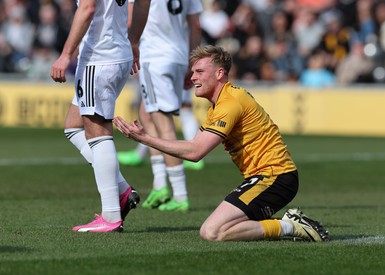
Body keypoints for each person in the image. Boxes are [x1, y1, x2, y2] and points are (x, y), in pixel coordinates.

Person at [113, 45, 330, 242]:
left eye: (199, 72)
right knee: (220, 229)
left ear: (219, 73)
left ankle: (290, 226)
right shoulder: (218, 105)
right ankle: (288, 223)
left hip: (275, 177)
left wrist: (144, 139)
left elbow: (195, 152)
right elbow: (193, 145)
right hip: (268, 177)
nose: (193, 77)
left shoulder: (230, 102)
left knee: (212, 231)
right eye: (193, 71)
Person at [50, 0, 150, 232]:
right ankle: (123, 190)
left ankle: (111, 216)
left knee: (98, 133)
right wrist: (133, 40)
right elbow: (144, 2)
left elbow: (87, 7)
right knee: (74, 127)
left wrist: (66, 55)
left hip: (100, 56)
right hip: (118, 52)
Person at [118, 0, 203, 212]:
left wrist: (130, 45)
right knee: (146, 112)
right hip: (179, 56)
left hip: (154, 55)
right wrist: (192, 62)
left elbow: (130, 19)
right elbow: (195, 26)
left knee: (163, 121)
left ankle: (180, 194)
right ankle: (159, 185)